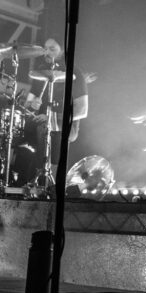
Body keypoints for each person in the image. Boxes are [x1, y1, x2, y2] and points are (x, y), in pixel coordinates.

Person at [14, 37, 89, 188]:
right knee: (18, 131)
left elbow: (82, 110)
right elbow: (28, 106)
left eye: (52, 49)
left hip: (68, 126)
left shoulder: (75, 72)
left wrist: (51, 117)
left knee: (44, 128)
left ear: (62, 51)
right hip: (41, 121)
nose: (47, 52)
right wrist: (32, 105)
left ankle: (43, 180)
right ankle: (26, 178)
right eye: (45, 48)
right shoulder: (41, 72)